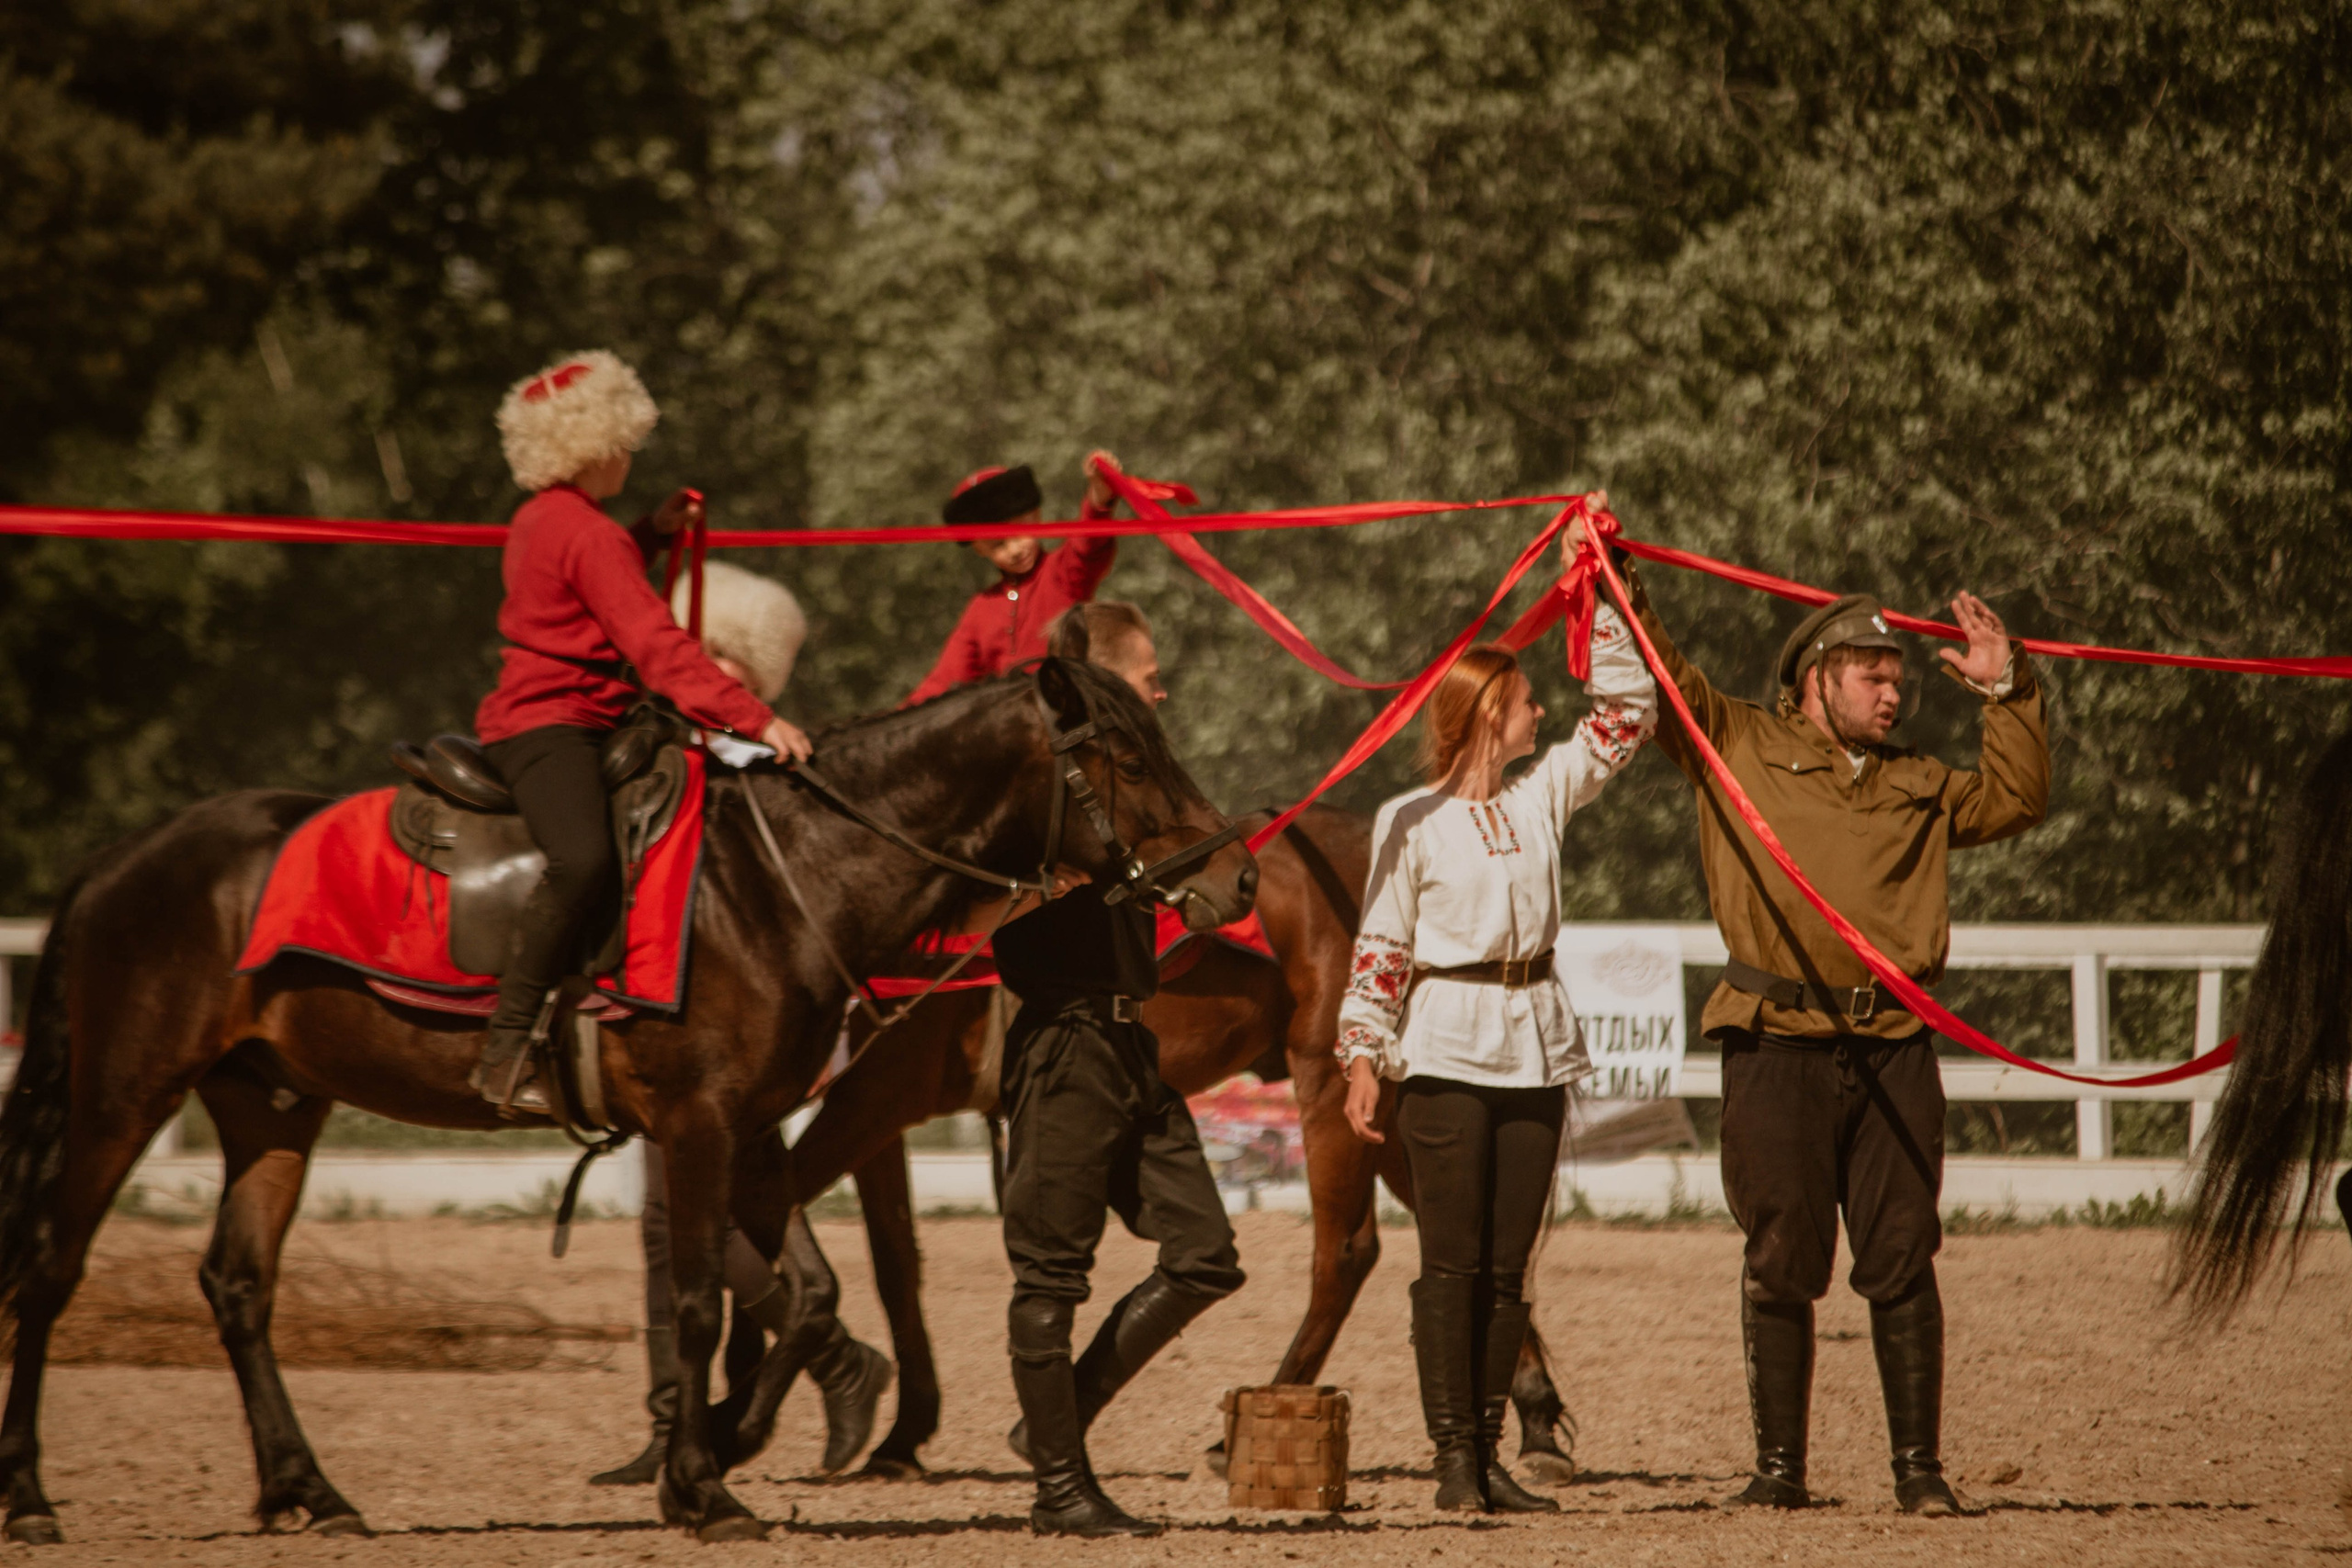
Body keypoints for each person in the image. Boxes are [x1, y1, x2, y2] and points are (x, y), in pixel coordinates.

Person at [1623, 560, 2048, 1516]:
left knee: (1901, 1251)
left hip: (1893, 1047)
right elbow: (1659, 675)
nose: (1893, 692)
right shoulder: (1732, 742)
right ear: (1815, 677)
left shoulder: (1918, 784)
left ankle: (1918, 1471)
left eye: (1896, 678)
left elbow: (2018, 799)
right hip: (1776, 1044)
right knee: (1783, 1254)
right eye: (1872, 676)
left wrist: (2005, 687)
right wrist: (1618, 574)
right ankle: (1779, 1469)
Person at [1336, 514, 1658, 1514]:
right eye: (1525, 702)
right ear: (1487, 716)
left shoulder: (1539, 798)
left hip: (1533, 1045)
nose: (1540, 712)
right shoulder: (1409, 819)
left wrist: (1596, 589)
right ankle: (1451, 1461)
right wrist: (1361, 1055)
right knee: (1453, 1265)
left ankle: (1485, 1454)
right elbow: (1383, 946)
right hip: (1443, 1046)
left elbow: (1627, 710)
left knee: (1509, 1271)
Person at [591, 560, 892, 1488]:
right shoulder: (664, 754)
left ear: (754, 674)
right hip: (661, 1000)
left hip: (724, 1016)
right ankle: (677, 1414)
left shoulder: (750, 767)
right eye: (698, 650)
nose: (698, 667)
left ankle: (833, 1354)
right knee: (667, 1218)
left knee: (681, 1213)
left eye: (721, 655)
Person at [471, 351, 812, 1111]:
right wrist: (758, 719)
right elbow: (656, 648)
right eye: (625, 439)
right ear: (598, 445)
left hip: (581, 715)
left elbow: (589, 578)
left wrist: (650, 535)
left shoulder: (551, 518)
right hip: (549, 725)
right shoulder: (584, 533)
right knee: (584, 858)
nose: (632, 453)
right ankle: (509, 1044)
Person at [992, 603, 1241, 1539]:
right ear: (1097, 685)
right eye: (1146, 676)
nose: (1162, 688)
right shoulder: (1046, 799)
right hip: (1063, 1049)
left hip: (1130, 1044)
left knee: (1205, 1257)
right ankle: (1060, 1489)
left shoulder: (1124, 788)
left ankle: (1051, 1427)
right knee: (1050, 1277)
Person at [903, 454, 1124, 705]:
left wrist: (1099, 497)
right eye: (998, 544)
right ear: (979, 549)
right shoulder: (981, 609)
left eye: (1020, 533)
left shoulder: (1062, 573)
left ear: (1037, 517)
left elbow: (1089, 545)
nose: (1015, 550)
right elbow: (944, 679)